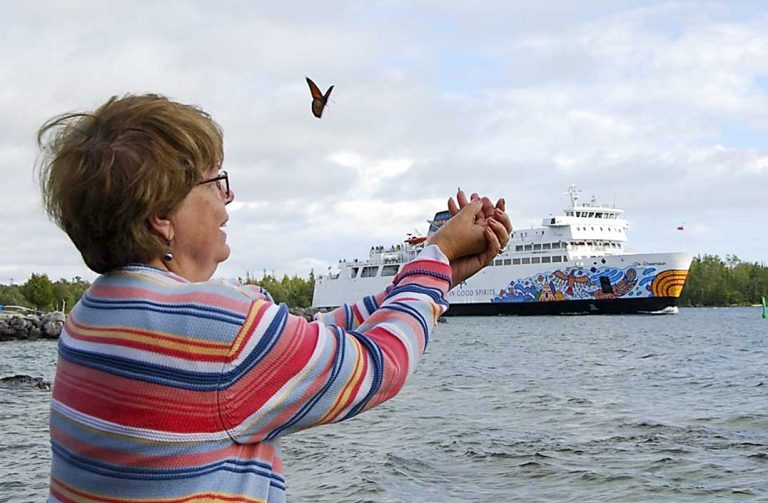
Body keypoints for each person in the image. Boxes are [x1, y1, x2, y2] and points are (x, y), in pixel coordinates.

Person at [37, 93, 512, 502]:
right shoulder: (214, 326)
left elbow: (307, 338)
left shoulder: (93, 315)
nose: (229, 196)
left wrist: (437, 273)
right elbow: (377, 365)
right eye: (215, 181)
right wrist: (436, 255)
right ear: (162, 215)